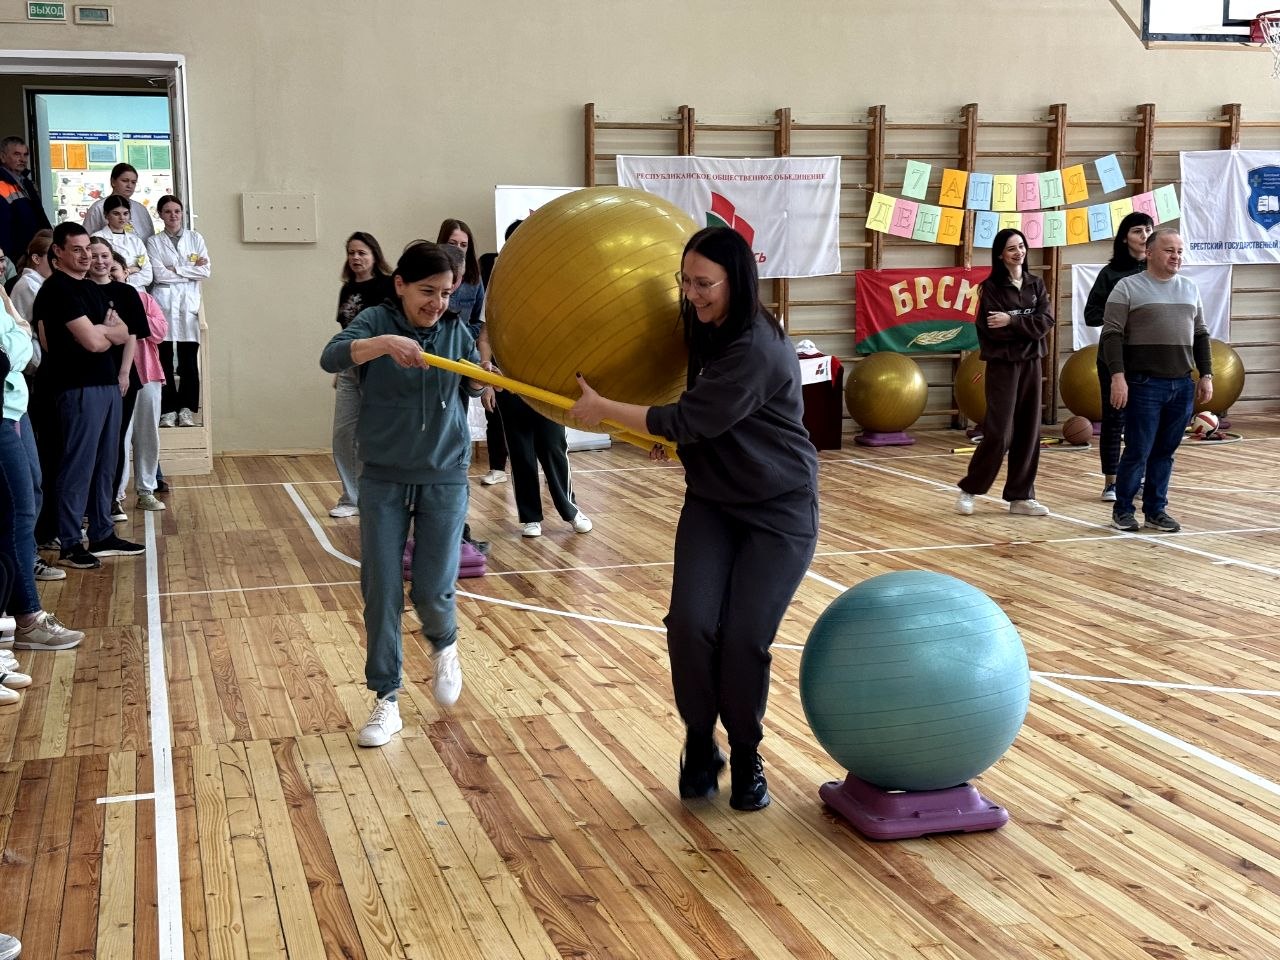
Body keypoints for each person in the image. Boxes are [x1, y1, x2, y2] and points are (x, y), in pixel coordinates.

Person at [570, 226, 818, 812]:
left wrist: (605, 410)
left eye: (704, 283)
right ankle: (701, 742)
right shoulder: (705, 326)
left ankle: (748, 754)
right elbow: (695, 417)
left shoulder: (757, 348)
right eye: (685, 281)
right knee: (689, 624)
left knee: (743, 638)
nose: (691, 293)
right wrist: (674, 436)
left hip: (778, 512)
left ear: (738, 281)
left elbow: (689, 419)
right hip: (712, 501)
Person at [320, 242, 488, 748]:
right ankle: (386, 699)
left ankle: (445, 643)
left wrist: (483, 382)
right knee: (382, 590)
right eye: (427, 291)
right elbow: (331, 356)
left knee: (433, 589)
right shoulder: (374, 320)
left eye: (446, 293)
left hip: (444, 474)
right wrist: (384, 344)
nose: (437, 303)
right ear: (400, 285)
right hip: (384, 477)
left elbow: (470, 382)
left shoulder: (456, 331)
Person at [31, 223, 143, 569]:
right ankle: (69, 542)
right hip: (77, 386)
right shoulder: (57, 290)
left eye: (88, 250)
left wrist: (102, 331)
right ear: (58, 252)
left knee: (106, 463)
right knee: (78, 465)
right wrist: (103, 331)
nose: (85, 256)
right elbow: (96, 341)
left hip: (106, 383)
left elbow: (123, 332)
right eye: (77, 249)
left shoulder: (92, 289)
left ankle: (102, 533)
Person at [1101, 227, 1212, 533]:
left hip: (1182, 384)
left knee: (1165, 452)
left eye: (1179, 251)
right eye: (1169, 250)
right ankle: (1123, 510)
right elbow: (1111, 335)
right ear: (1149, 253)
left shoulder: (1190, 288)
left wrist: (1206, 374)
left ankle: (1156, 510)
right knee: (1138, 450)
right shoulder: (1127, 287)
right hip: (1143, 384)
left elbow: (1201, 334)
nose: (1176, 256)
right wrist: (1118, 376)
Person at [491, 219, 591, 538]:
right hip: (510, 381)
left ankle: (570, 508)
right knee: (520, 450)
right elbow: (485, 332)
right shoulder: (499, 283)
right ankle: (530, 517)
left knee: (553, 444)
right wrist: (487, 370)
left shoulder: (552, 280)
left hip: (546, 382)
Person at [0, 281, 85, 651]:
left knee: (28, 499)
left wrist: (18, 333)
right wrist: (20, 331)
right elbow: (11, 356)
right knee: (17, 511)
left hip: (14, 407)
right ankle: (27, 618)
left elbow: (19, 352)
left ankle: (20, 609)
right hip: (3, 411)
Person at [955, 228, 1054, 517]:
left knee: (1029, 431)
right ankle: (970, 489)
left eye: (1021, 246)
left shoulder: (1036, 284)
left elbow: (1045, 322)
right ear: (1000, 255)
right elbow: (993, 330)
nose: (1018, 252)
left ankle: (1021, 496)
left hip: (1032, 364)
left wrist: (1011, 320)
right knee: (999, 432)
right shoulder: (991, 289)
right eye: (1011, 248)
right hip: (1003, 366)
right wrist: (1026, 326)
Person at [1085, 211, 1155, 502]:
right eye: (1138, 230)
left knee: (1145, 421)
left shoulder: (1158, 271)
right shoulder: (1110, 274)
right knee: (1114, 419)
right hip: (1113, 357)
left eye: (1148, 230)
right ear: (1125, 237)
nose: (1144, 236)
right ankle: (1111, 483)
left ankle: (1139, 479)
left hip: (1148, 357)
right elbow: (1091, 315)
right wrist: (1121, 312)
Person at [328, 231, 394, 518]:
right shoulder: (347, 289)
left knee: (374, 434)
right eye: (351, 252)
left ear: (374, 256)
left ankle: (380, 497)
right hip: (349, 367)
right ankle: (351, 498)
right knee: (343, 434)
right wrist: (340, 364)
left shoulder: (388, 286)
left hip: (378, 367)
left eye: (362, 252)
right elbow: (345, 331)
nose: (356, 257)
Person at [438, 217, 507, 484]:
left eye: (463, 245)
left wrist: (466, 342)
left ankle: (455, 480)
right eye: (452, 243)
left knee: (458, 422)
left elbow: (479, 323)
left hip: (462, 359)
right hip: (434, 359)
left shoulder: (474, 279)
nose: (458, 248)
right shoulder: (432, 274)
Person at [146, 194, 210, 429]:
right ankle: (167, 410)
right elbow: (158, 274)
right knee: (163, 360)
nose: (173, 215)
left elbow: (206, 271)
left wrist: (175, 268)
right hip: (163, 303)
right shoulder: (154, 242)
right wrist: (189, 269)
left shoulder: (195, 238)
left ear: (182, 213)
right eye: (167, 211)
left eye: (177, 211)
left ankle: (186, 409)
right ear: (160, 215)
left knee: (188, 362)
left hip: (188, 305)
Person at [0, 136, 52, 264]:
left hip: (34, 255)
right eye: (17, 154)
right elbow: (3, 229)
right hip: (15, 259)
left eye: (25, 154)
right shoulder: (2, 184)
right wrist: (9, 262)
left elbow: (40, 216)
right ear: (3, 157)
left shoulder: (26, 182)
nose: (23, 159)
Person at [92, 195, 153, 291]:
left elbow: (148, 276)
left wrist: (122, 276)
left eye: (125, 213)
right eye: (116, 214)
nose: (122, 218)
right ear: (106, 215)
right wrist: (132, 270)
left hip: (138, 292)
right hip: (109, 292)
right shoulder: (97, 238)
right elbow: (99, 273)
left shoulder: (136, 240)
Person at [81, 162, 155, 239]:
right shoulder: (98, 208)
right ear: (113, 182)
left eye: (133, 182)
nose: (129, 185)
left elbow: (150, 237)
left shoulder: (141, 209)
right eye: (125, 181)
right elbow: (86, 238)